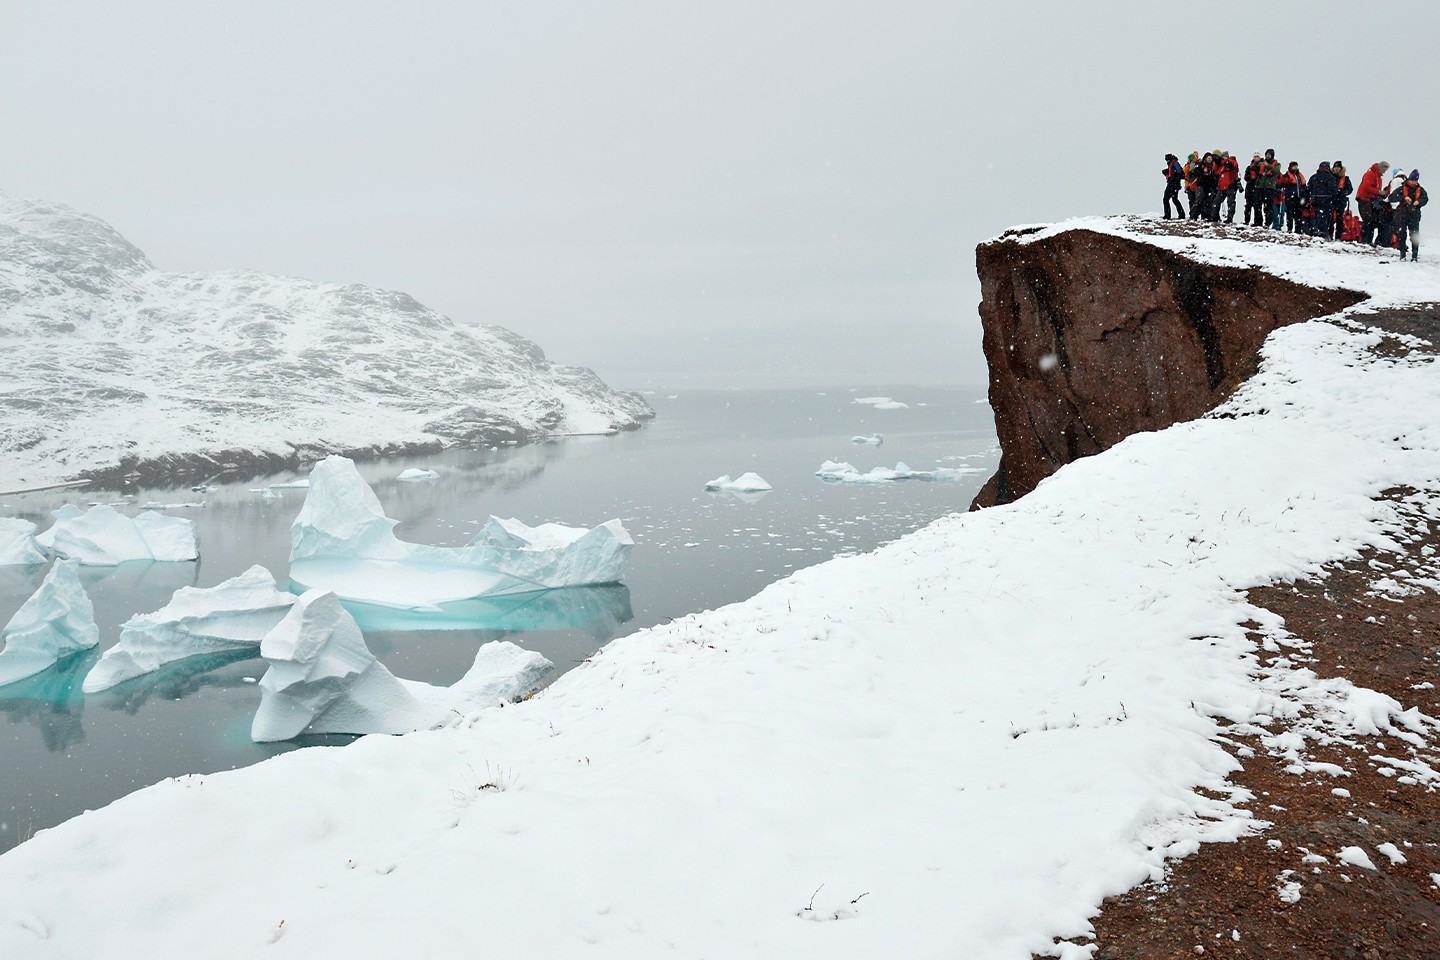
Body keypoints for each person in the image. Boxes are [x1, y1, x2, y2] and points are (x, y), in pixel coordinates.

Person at [1392, 170, 1427, 260]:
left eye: (1415, 181)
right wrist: (1404, 198)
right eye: (1412, 181)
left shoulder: (1421, 190)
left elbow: (1425, 199)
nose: (1413, 183)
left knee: (1415, 235)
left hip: (1414, 214)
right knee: (1402, 234)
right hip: (1402, 214)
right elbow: (1392, 197)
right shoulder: (1401, 188)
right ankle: (1402, 254)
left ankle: (1414, 256)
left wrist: (1418, 202)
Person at [1357, 161, 1392, 245]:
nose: (1384, 172)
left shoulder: (1377, 177)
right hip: (1364, 199)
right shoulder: (1370, 174)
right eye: (1384, 170)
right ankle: (1365, 241)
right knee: (1367, 220)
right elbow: (1366, 186)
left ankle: (1368, 241)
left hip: (1370, 200)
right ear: (1380, 168)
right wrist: (1379, 192)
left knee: (1371, 221)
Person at [1308, 162, 1338, 238]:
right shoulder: (1331, 177)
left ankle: (1316, 231)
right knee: (1325, 217)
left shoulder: (1314, 177)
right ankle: (1324, 232)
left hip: (1315, 198)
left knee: (1316, 215)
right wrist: (1333, 198)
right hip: (1326, 200)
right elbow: (1333, 190)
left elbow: (1308, 189)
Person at [1256, 149, 1282, 228]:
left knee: (1268, 206)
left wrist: (1268, 165)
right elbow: (1254, 167)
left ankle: (1267, 223)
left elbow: (1276, 171)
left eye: (1269, 154)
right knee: (1257, 205)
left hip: (1270, 188)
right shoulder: (1261, 163)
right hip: (1260, 187)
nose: (1268, 156)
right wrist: (1257, 161)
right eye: (1267, 154)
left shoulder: (1277, 164)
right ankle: (1258, 222)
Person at [1280, 161, 1307, 232]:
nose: (1295, 167)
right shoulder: (1286, 175)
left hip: (1299, 198)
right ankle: (1289, 228)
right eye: (1294, 166)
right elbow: (1281, 184)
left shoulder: (1299, 176)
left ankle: (1298, 229)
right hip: (1290, 197)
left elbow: (1304, 186)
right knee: (1290, 214)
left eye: (1296, 166)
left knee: (1299, 214)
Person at [1216, 151, 1241, 223]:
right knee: (1216, 202)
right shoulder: (1222, 166)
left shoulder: (1231, 161)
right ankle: (1215, 217)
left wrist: (1223, 162)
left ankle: (1230, 218)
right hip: (1222, 187)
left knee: (1230, 202)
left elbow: (1233, 165)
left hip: (1231, 186)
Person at [1331, 161, 1352, 240]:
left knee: (1339, 220)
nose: (1336, 169)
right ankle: (1330, 235)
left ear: (1341, 168)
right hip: (1332, 201)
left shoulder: (1345, 179)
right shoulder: (1330, 177)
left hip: (1340, 201)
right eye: (1335, 167)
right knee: (1331, 219)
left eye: (1338, 167)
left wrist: (1342, 193)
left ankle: (1338, 237)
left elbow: (1350, 189)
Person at [1162, 154, 1186, 219]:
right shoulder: (1173, 163)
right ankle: (1181, 214)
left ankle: (1168, 215)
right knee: (1174, 199)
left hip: (1173, 184)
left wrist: (1172, 176)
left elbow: (1180, 173)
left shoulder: (1174, 163)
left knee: (1166, 199)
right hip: (1175, 184)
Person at [1243, 153, 1263, 225]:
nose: (1256, 158)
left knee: (1257, 206)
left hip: (1258, 189)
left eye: (1257, 156)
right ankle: (1246, 221)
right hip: (1249, 188)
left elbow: (1262, 177)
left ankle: (1258, 222)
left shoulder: (1262, 167)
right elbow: (1246, 177)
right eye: (1255, 156)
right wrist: (1252, 179)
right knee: (1248, 205)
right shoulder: (1249, 167)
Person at [1183, 152, 1201, 219]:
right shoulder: (1194, 164)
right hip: (1191, 185)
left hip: (1191, 185)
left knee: (1193, 201)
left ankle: (1193, 214)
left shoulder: (1190, 165)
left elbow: (1186, 174)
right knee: (1194, 201)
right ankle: (1194, 214)